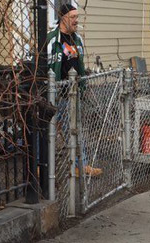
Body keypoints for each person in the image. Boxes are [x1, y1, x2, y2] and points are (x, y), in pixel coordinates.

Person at [47, 4, 102, 177]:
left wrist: (83, 86)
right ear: (63, 18)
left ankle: (81, 165)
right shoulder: (52, 39)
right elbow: (44, 65)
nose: (76, 20)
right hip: (54, 94)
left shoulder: (77, 39)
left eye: (77, 17)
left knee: (76, 131)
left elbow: (79, 64)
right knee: (48, 132)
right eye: (72, 17)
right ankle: (42, 167)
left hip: (72, 93)